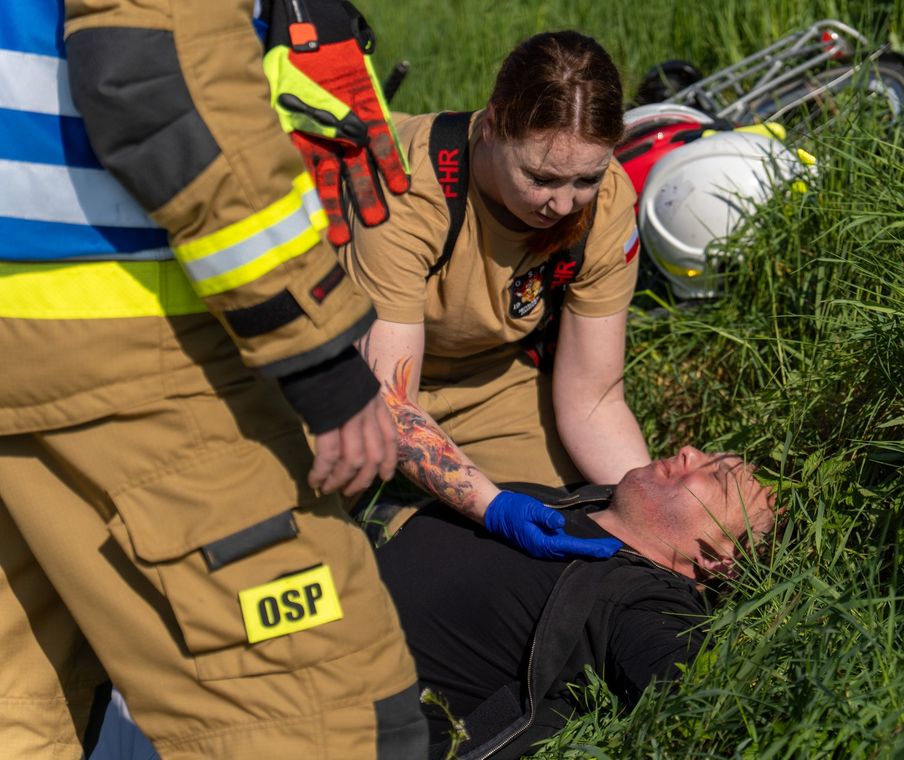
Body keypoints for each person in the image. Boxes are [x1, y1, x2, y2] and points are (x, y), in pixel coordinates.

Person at [0, 0, 426, 756]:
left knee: (19, 706)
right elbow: (151, 69)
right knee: (331, 714)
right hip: (129, 342)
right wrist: (320, 352)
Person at [342, 31, 653, 535]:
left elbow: (593, 400)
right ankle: (386, 511)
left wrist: (649, 504)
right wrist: (491, 506)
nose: (563, 205)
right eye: (542, 178)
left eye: (586, 180)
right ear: (491, 125)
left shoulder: (609, 199)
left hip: (486, 384)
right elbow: (390, 403)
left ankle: (406, 509)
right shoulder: (404, 187)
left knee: (577, 514)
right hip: (343, 378)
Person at [374, 446, 779, 759]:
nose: (691, 450)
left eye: (718, 476)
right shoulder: (569, 502)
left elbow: (716, 710)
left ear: (717, 559)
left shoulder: (646, 601)